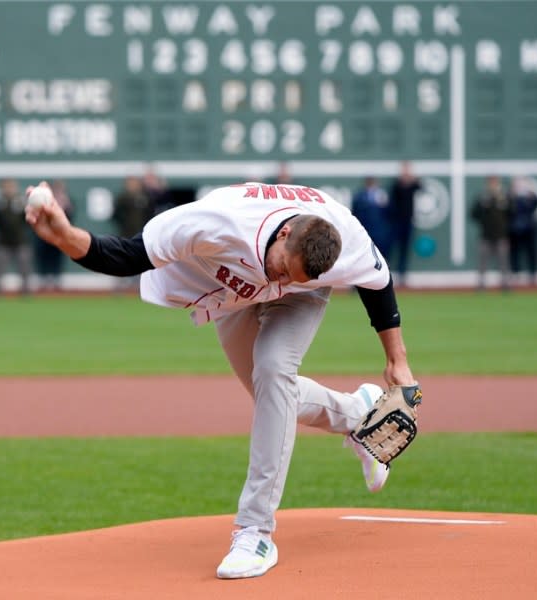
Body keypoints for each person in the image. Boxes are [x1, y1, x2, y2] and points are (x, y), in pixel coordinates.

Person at [23, 180, 419, 580]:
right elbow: (124, 256)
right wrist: (65, 237)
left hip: (301, 301)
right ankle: (359, 414)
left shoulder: (342, 237)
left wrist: (397, 361)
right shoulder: (219, 223)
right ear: (284, 233)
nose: (282, 279)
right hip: (230, 294)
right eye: (283, 267)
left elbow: (378, 280)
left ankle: (256, 531)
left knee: (273, 370)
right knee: (272, 399)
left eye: (293, 276)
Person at [0, 178, 32, 295]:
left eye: (11, 186)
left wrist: (23, 208)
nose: (8, 189)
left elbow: (28, 220)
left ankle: (25, 290)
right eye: (6, 187)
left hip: (20, 240)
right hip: (3, 241)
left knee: (24, 268)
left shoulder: (21, 201)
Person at [471, 176, 512, 291]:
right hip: (485, 235)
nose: (493, 185)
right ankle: (481, 285)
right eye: (491, 183)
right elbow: (473, 215)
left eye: (495, 183)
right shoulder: (482, 198)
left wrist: (504, 202)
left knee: (503, 261)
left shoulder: (504, 197)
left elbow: (512, 213)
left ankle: (505, 284)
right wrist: (484, 205)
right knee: (482, 263)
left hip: (501, 234)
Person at [35, 180, 75, 291]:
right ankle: (44, 280)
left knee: (57, 259)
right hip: (45, 236)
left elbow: (71, 216)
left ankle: (57, 280)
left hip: (60, 235)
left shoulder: (66, 201)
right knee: (44, 258)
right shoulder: (45, 200)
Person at [388, 162, 421, 286]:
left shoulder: (413, 184)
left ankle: (402, 276)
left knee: (404, 251)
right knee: (390, 250)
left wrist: (412, 179)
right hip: (396, 222)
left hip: (408, 222)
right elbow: (393, 198)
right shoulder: (396, 184)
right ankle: (386, 275)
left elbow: (420, 187)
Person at [351, 176, 392, 264]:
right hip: (366, 231)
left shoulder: (382, 196)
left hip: (380, 233)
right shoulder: (359, 196)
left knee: (382, 256)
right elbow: (356, 213)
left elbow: (389, 214)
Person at [507, 177, 537, 286]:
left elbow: (535, 205)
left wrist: (531, 195)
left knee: (531, 252)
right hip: (514, 229)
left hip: (528, 228)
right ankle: (515, 273)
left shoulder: (530, 198)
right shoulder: (511, 198)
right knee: (514, 252)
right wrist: (512, 195)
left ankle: (533, 273)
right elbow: (509, 210)